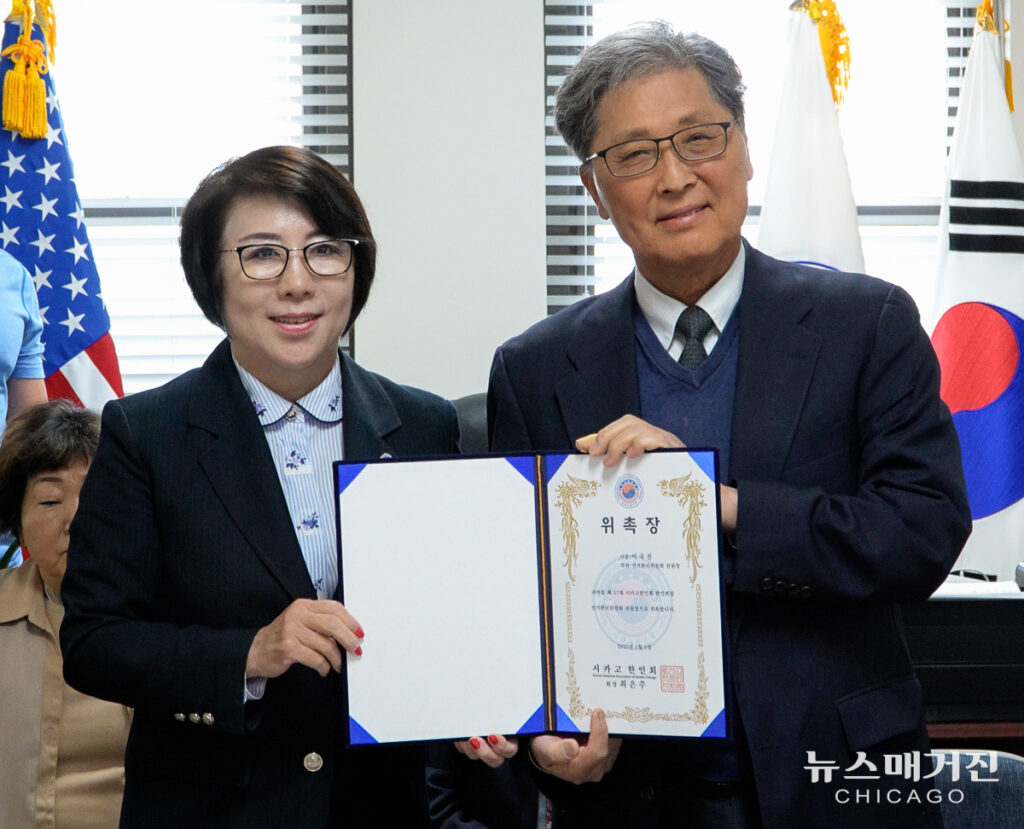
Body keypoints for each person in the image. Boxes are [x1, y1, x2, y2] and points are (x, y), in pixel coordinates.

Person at [447, 22, 971, 829]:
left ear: (746, 147)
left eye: (699, 138)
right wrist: (544, 732)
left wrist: (714, 503)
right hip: (635, 799)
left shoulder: (867, 325)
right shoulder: (536, 367)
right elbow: (525, 604)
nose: (675, 176)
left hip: (836, 782)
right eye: (634, 155)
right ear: (594, 189)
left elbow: (923, 533)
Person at [60, 145, 460, 828]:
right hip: (211, 808)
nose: (297, 283)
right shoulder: (146, 433)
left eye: (324, 251)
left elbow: (450, 618)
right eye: (263, 255)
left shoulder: (425, 424)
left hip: (379, 808)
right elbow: (96, 641)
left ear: (356, 268)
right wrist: (248, 652)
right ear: (211, 277)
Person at [0, 400, 131, 828]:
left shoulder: (171, 618)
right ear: (18, 525)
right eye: (50, 501)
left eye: (95, 494)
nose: (76, 519)